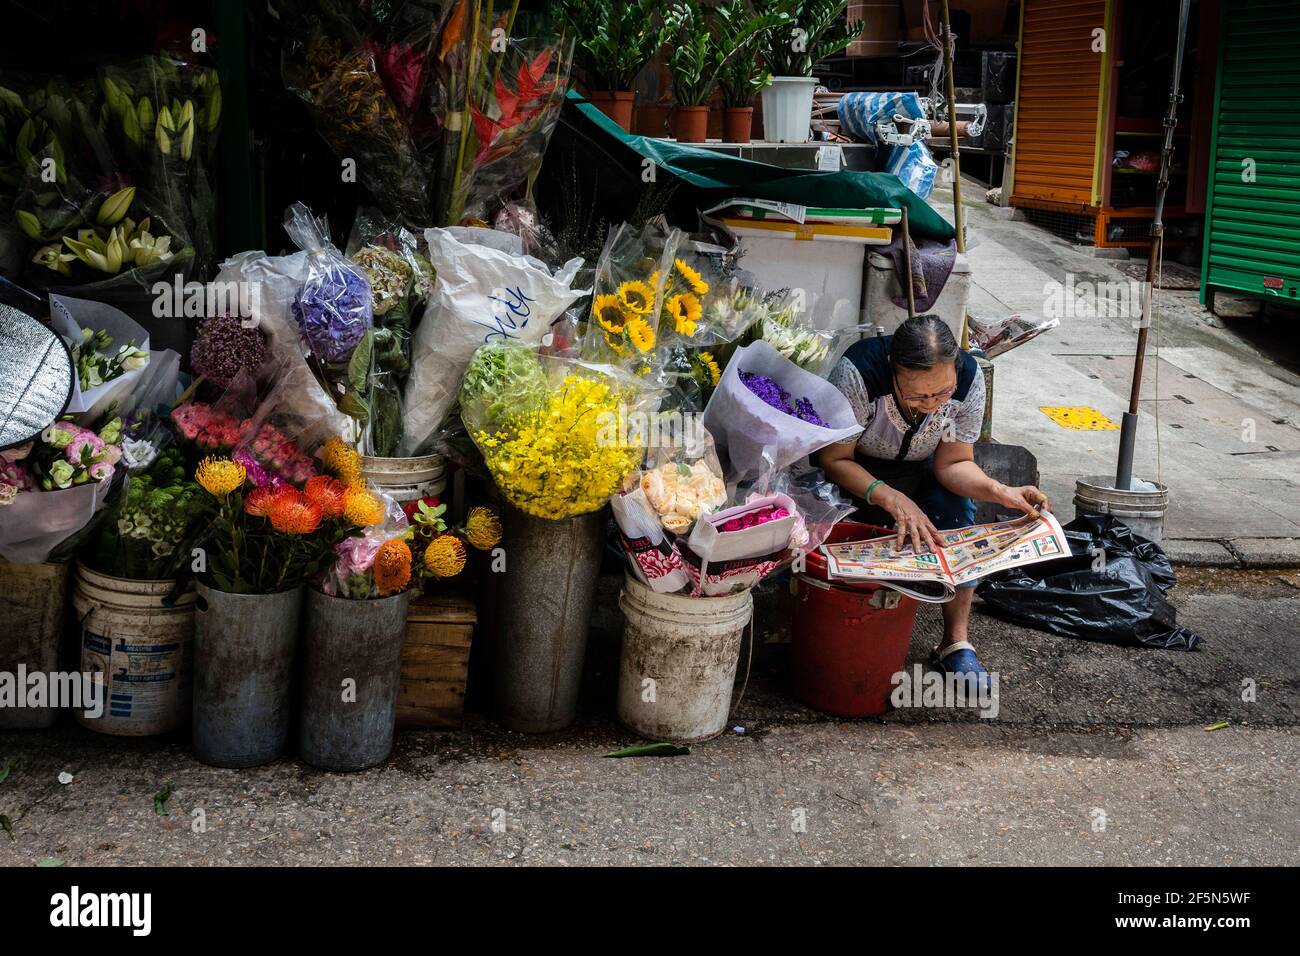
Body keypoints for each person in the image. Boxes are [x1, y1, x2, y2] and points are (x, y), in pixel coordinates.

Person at [818, 314, 1050, 684]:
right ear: (893, 367)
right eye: (917, 395)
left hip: (924, 468)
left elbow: (954, 463)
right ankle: (839, 631)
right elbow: (834, 459)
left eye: (941, 394)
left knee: (957, 512)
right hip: (855, 469)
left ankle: (955, 643)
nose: (930, 405)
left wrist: (999, 491)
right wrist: (890, 498)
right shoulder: (858, 372)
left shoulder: (970, 379)